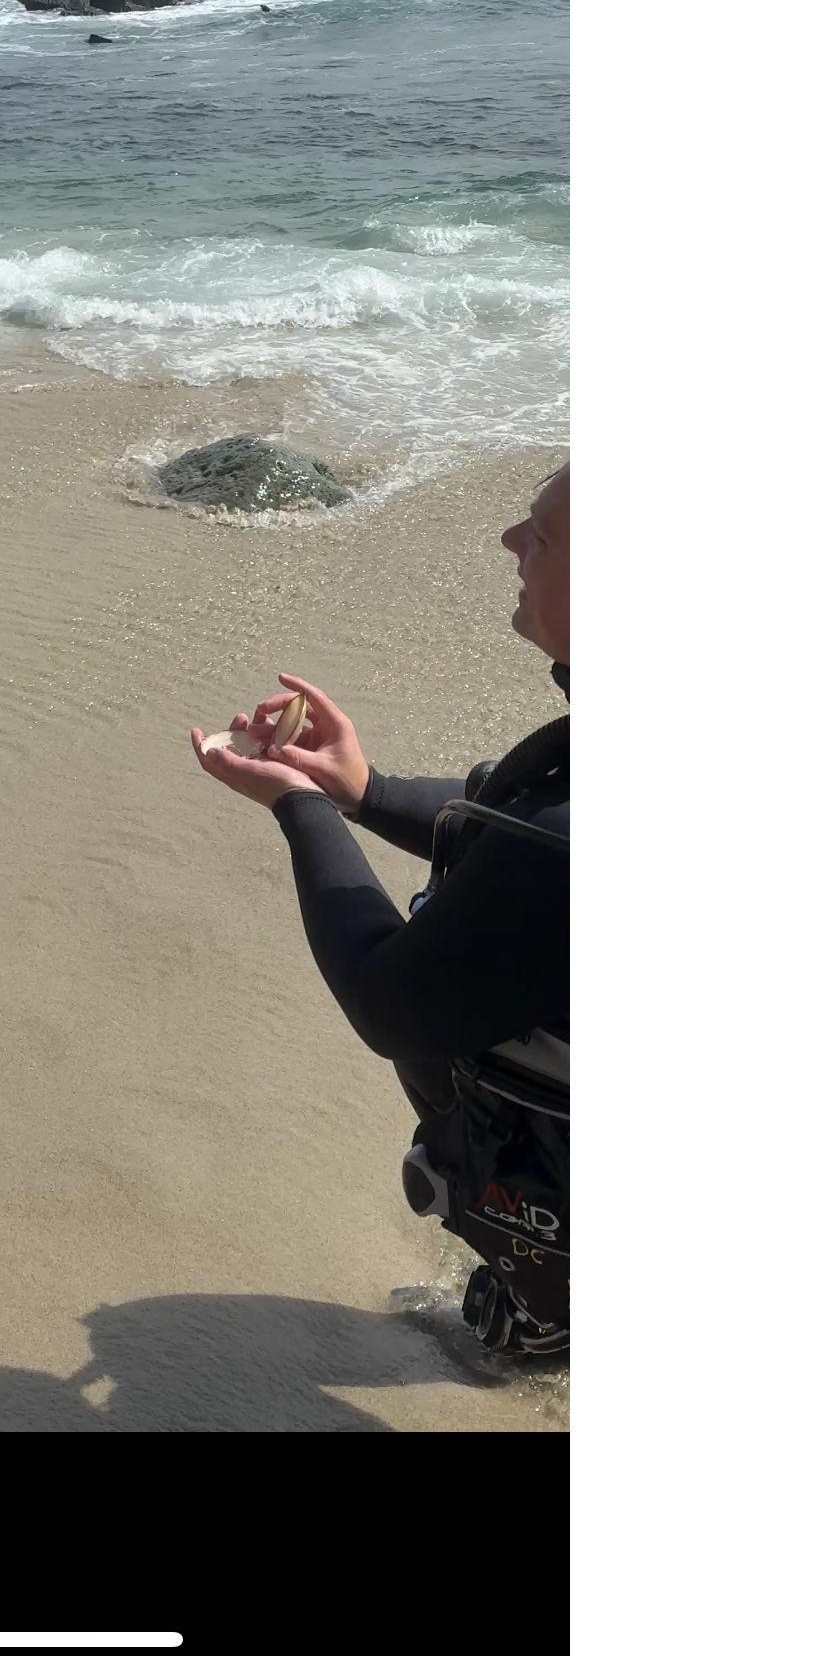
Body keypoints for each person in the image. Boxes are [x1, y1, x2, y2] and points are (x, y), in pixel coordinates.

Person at [187, 464, 569, 1349]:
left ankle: (547, 1304)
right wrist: (365, 789)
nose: (510, 542)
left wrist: (299, 804)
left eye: (540, 538)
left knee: (451, 1007)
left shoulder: (564, 843)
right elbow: (501, 812)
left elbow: (390, 1003)